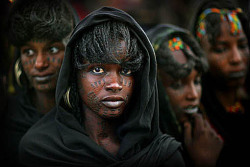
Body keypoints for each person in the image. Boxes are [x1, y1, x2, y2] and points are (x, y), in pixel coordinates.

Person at [19, 7, 187, 167]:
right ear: (74, 75)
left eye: (126, 70)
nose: (115, 84)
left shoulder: (162, 155)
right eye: (98, 69)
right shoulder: (40, 150)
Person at [1, 0, 78, 165]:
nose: (39, 63)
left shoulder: (91, 117)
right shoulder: (7, 116)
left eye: (53, 49)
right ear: (19, 59)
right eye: (29, 52)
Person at [147, 24, 223, 167]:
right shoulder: (145, 152)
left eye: (197, 81)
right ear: (151, 88)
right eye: (177, 85)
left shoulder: (207, 134)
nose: (193, 95)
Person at [190, 0, 250, 166]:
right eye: (221, 49)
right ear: (200, 55)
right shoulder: (196, 123)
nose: (236, 58)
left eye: (243, 45)